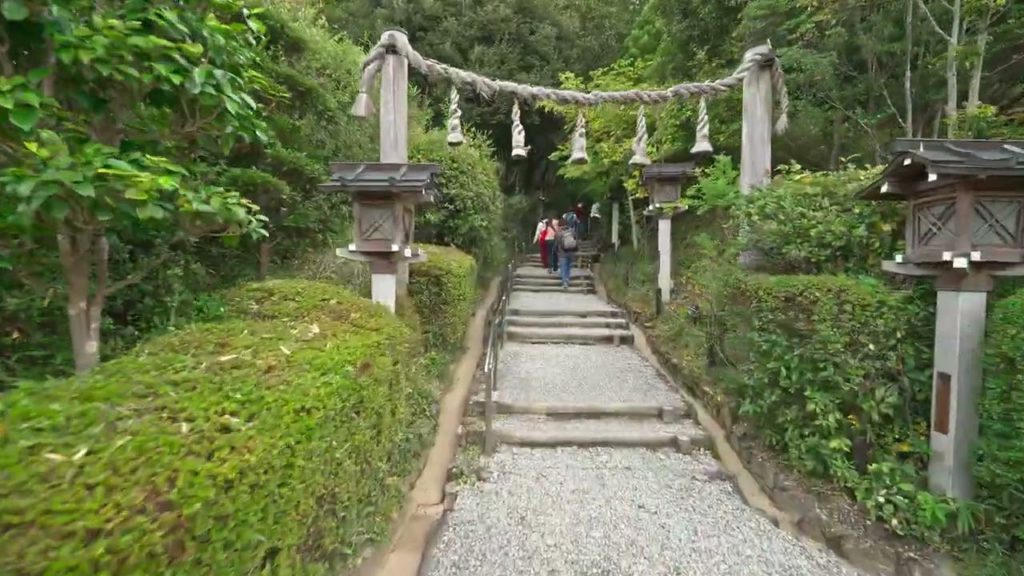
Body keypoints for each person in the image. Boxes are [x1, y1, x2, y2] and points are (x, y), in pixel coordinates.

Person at [554, 217, 579, 288]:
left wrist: (555, 251)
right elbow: (576, 240)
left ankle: (564, 282)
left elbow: (557, 243)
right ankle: (567, 279)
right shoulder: (572, 231)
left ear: (559, 225)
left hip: (562, 252)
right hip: (571, 251)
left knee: (563, 267)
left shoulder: (558, 233)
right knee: (568, 266)